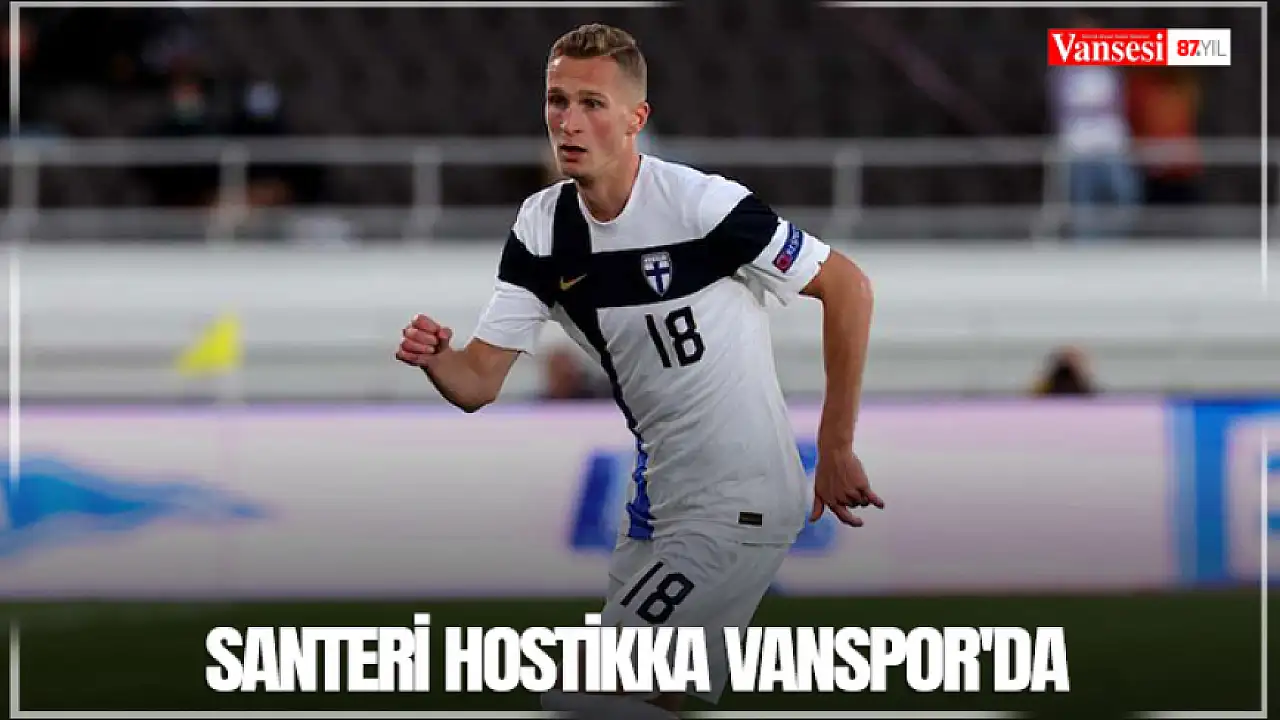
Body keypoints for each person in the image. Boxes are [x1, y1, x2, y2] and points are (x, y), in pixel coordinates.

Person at [395, 24, 881, 718]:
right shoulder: (543, 229)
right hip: (658, 501)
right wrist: (437, 358)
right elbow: (478, 382)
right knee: (649, 699)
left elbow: (848, 286)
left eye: (592, 103)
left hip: (738, 498)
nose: (569, 121)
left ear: (636, 119)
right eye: (557, 101)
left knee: (586, 693)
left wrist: (835, 447)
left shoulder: (702, 206)